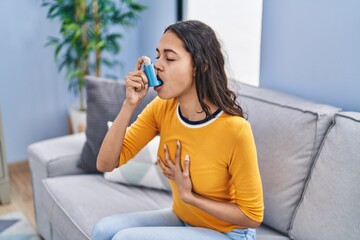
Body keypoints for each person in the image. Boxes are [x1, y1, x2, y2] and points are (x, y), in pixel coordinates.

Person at [92, 20, 264, 240]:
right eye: (158, 56)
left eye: (170, 58)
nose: (158, 65)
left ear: (200, 66)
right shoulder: (162, 108)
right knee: (103, 230)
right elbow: (105, 163)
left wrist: (189, 196)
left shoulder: (235, 130)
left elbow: (252, 216)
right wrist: (129, 105)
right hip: (185, 220)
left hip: (228, 233)